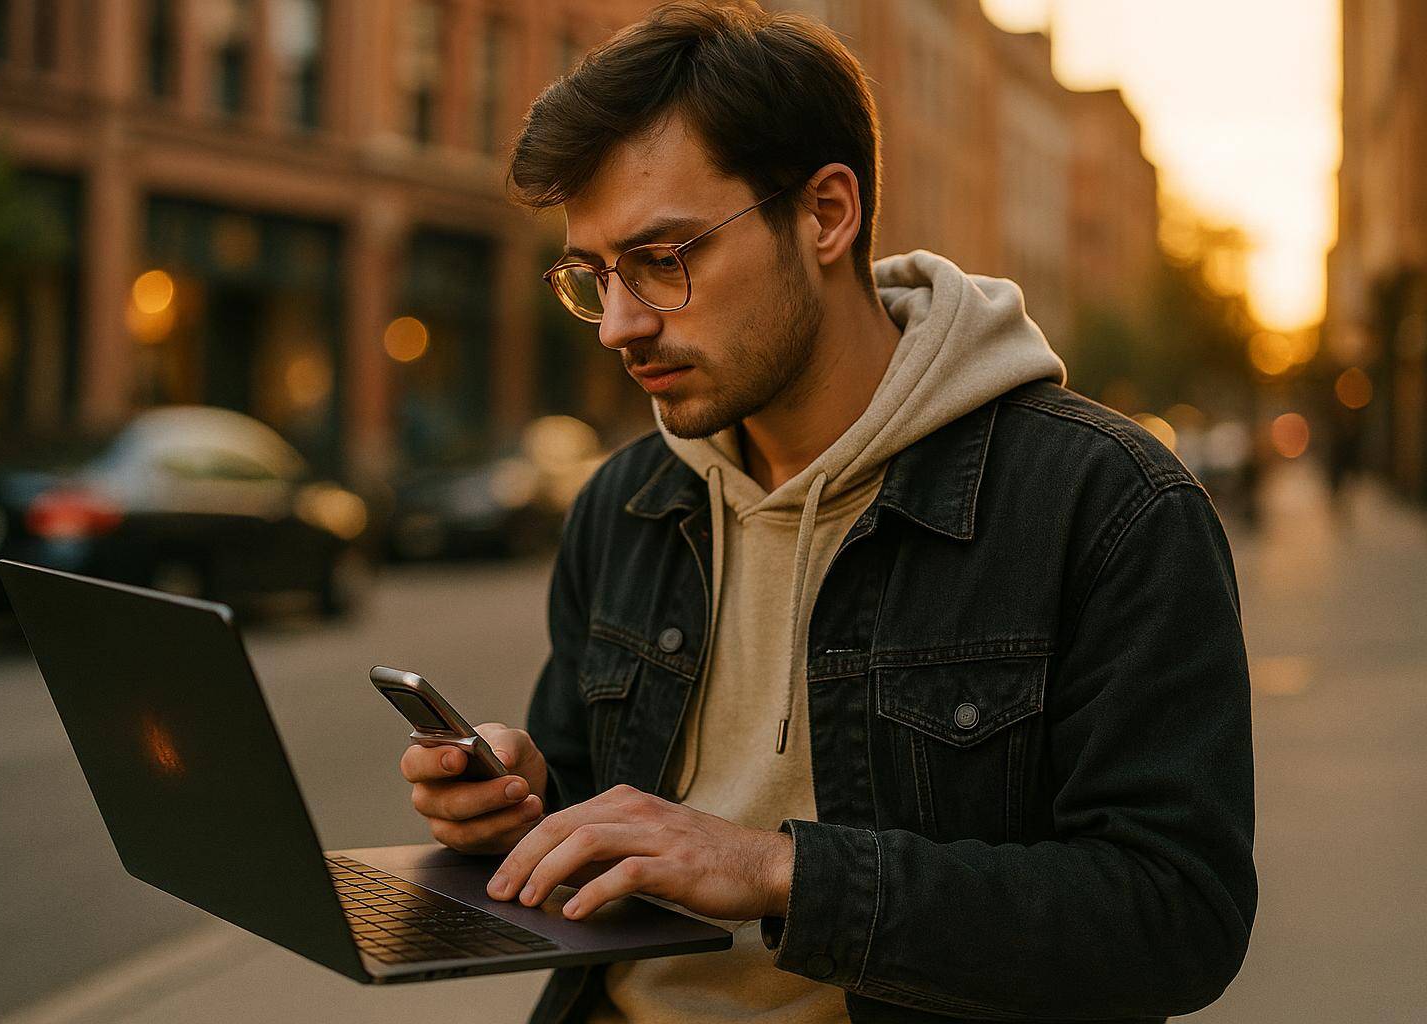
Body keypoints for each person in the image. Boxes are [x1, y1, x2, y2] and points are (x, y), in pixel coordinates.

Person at [399, 3, 1257, 1022]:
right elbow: (595, 809)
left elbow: (1176, 918)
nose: (620, 326)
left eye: (664, 259)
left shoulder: (1107, 504)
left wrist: (777, 872)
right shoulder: (623, 503)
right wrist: (517, 807)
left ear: (825, 215)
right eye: (593, 277)